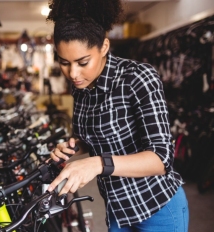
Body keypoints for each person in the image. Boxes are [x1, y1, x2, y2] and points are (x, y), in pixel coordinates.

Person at [45, 0, 189, 231]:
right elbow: (100, 137)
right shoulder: (81, 86)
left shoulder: (137, 78)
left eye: (83, 62)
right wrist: (75, 147)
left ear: (103, 47)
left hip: (158, 208)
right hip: (118, 209)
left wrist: (98, 164)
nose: (73, 73)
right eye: (64, 63)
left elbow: (161, 158)